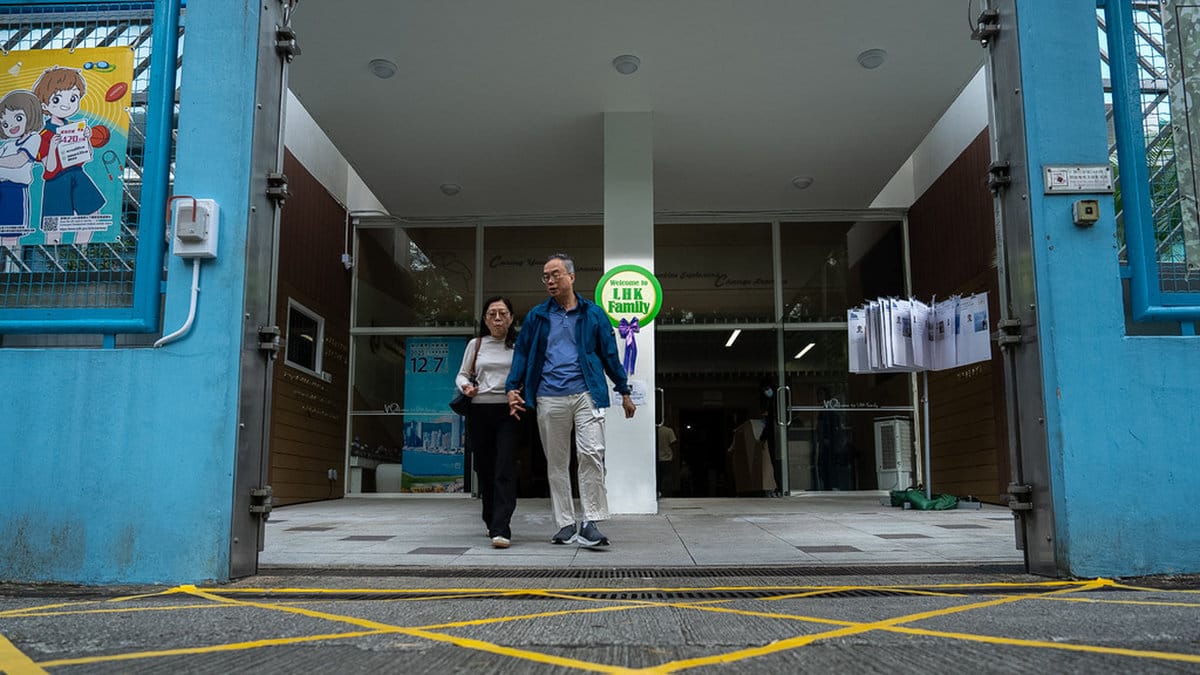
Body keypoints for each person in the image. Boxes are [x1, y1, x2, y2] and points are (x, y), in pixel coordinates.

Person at [506, 252, 636, 547]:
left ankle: (590, 521)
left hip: (587, 393)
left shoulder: (593, 314)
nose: (550, 281)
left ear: (571, 277)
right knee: (557, 462)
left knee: (591, 453)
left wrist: (624, 390)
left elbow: (609, 354)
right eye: (545, 277)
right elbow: (522, 353)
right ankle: (565, 524)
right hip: (549, 395)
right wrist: (513, 387)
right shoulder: (538, 316)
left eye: (555, 275)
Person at [456, 296, 520, 549]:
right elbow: (462, 374)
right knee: (485, 469)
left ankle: (501, 527)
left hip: (509, 412)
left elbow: (526, 374)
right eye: (492, 314)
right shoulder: (476, 344)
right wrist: (466, 387)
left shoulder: (519, 345)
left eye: (502, 313)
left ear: (511, 318)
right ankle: (490, 518)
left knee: (505, 467)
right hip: (479, 411)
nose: (497, 318)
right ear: (485, 319)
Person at [33, 66, 105, 244]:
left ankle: (81, 251)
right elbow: (49, 168)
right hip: (57, 181)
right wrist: (52, 147)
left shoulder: (74, 127)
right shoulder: (44, 135)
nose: (66, 105)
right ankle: (53, 256)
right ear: (45, 105)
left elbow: (87, 156)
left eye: (73, 98)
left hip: (78, 175)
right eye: (57, 99)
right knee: (54, 226)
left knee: (92, 216)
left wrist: (87, 139)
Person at [0, 90, 42, 251]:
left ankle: (11, 261)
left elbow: (19, 161)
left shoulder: (33, 138)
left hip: (15, 190)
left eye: (18, 118)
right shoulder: (8, 145)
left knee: (11, 230)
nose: (11, 126)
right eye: (5, 124)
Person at [655, 421, 678, 497]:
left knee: (658, 478)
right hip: (667, 458)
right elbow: (673, 444)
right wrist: (674, 456)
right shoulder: (668, 431)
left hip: (656, 459)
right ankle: (666, 493)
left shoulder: (653, 431)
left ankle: (658, 492)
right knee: (667, 477)